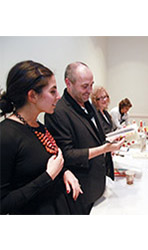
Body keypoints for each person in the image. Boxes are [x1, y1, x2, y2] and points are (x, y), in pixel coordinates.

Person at [0, 60, 82, 215]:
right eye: (52, 91)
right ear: (32, 96)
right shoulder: (6, 135)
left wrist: (64, 171)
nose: (58, 97)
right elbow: (3, 203)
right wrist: (48, 176)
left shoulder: (38, 126)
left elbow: (45, 160)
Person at [45, 62, 124, 214]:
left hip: (99, 185)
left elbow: (97, 137)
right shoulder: (58, 112)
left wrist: (111, 141)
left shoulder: (89, 105)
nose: (89, 91)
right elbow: (66, 155)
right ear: (68, 83)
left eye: (91, 85)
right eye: (84, 86)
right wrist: (104, 149)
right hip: (81, 193)